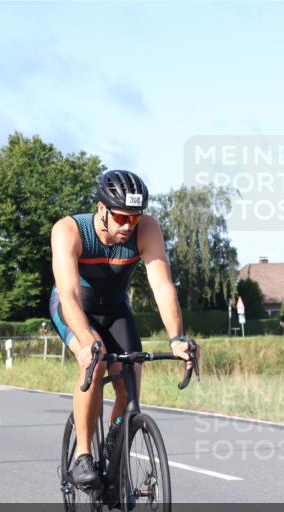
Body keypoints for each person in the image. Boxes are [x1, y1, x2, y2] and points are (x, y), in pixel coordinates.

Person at [50, 169, 197, 487]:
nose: (129, 225)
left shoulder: (147, 229)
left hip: (116, 309)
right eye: (121, 217)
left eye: (135, 217)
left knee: (131, 380)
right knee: (95, 362)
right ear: (101, 209)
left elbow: (162, 285)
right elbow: (69, 296)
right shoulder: (69, 230)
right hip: (75, 307)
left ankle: (115, 446)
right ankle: (83, 456)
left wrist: (176, 338)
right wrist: (87, 341)